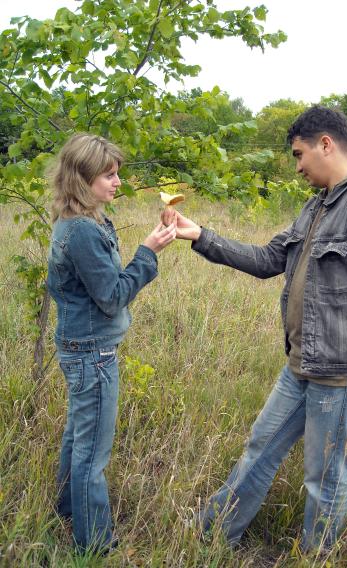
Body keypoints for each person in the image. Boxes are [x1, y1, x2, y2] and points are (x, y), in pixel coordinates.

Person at [161, 106, 347, 552]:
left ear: (326, 144)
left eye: (300, 154)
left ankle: (314, 559)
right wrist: (199, 235)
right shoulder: (317, 204)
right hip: (301, 365)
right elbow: (267, 260)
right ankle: (211, 538)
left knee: (325, 477)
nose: (297, 166)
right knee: (259, 449)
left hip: (340, 376)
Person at [47, 133, 176, 553]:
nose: (117, 182)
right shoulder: (82, 230)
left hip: (82, 346)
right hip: (92, 352)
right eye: (108, 175)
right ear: (83, 179)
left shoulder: (83, 221)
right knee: (91, 452)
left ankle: (69, 509)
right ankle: (95, 544)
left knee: (76, 435)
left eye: (116, 173)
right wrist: (148, 252)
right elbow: (112, 296)